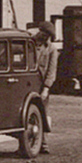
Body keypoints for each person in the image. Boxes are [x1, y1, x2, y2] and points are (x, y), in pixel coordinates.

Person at [33, 20, 58, 154]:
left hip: (42, 86)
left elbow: (51, 71)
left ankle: (43, 143)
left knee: (42, 113)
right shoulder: (30, 44)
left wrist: (46, 88)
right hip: (29, 83)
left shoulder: (51, 49)